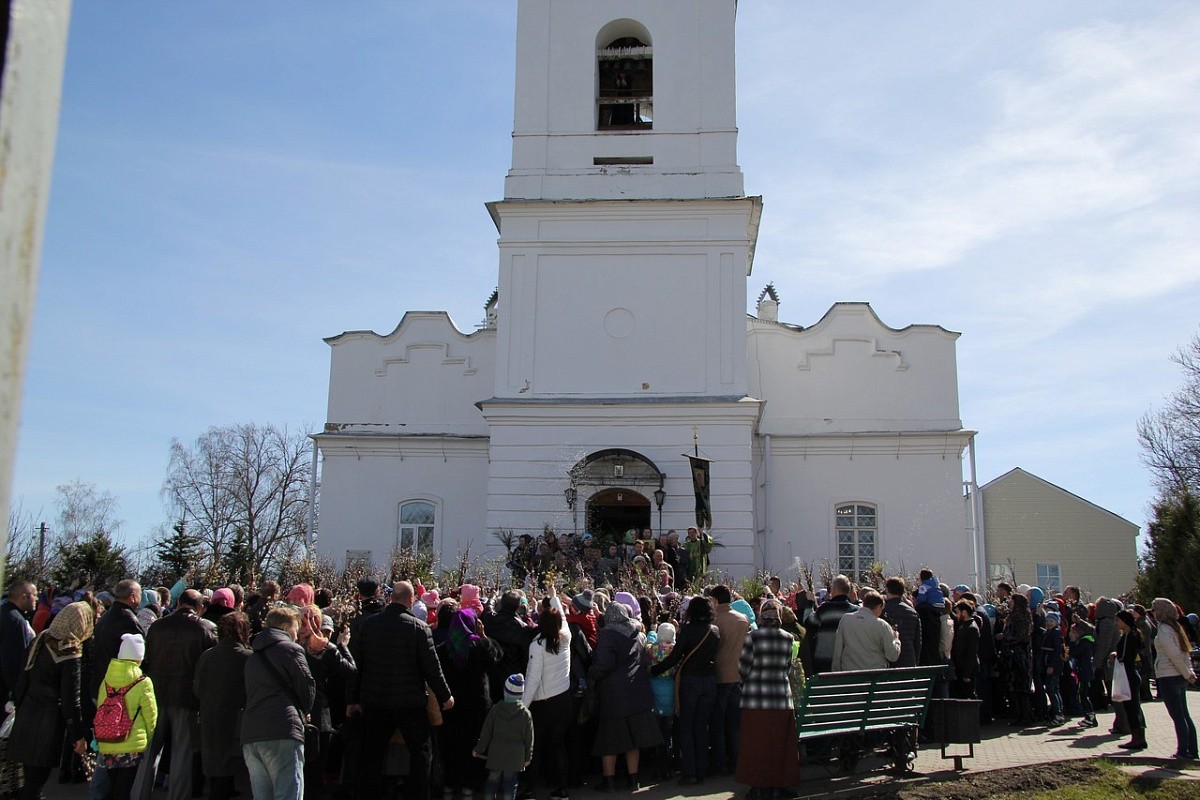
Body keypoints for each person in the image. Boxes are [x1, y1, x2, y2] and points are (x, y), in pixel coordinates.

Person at [348, 581, 453, 800]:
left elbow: (357, 665)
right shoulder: (419, 628)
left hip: (375, 699)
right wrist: (445, 696)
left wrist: (352, 699)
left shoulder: (369, 625)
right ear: (410, 600)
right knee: (421, 753)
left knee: (372, 754)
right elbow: (432, 668)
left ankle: (369, 795)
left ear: (390, 598)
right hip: (409, 702)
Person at [133, 589, 218, 800]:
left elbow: (147, 658)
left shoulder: (157, 626)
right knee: (182, 753)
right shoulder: (206, 628)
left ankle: (139, 794)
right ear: (200, 607)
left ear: (178, 603)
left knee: (149, 750)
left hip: (155, 693)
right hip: (187, 697)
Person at [8, 600, 94, 800]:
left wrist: (19, 709)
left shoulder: (40, 639)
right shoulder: (70, 649)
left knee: (29, 782)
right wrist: (78, 736)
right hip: (48, 724)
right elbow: (71, 699)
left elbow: (22, 680)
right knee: (36, 784)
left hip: (27, 714)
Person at [242, 606, 316, 800]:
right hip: (283, 728)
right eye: (295, 629)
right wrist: (305, 710)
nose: (296, 635)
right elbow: (306, 685)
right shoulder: (291, 649)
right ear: (285, 628)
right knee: (288, 793)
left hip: (251, 733)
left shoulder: (253, 656)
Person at [591, 600, 660, 792]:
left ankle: (609, 781)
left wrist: (592, 672)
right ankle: (633, 778)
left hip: (614, 694)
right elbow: (645, 661)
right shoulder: (637, 634)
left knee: (609, 741)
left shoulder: (607, 635)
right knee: (633, 740)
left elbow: (605, 664)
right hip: (637, 691)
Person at [735, 599, 800, 800]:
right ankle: (778, 786)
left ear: (762, 616)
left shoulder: (752, 638)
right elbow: (787, 667)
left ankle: (759, 786)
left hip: (755, 699)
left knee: (756, 744)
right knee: (780, 744)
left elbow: (743, 668)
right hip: (781, 699)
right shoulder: (788, 638)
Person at [650, 596, 718, 787]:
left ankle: (690, 771)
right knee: (702, 726)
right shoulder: (714, 631)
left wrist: (655, 670)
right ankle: (702, 768)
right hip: (710, 680)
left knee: (686, 726)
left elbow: (675, 657)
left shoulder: (688, 630)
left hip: (690, 681)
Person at [436, 608, 501, 800]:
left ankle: (449, 786)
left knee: (450, 746)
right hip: (476, 706)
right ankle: (468, 787)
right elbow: (498, 656)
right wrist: (483, 635)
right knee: (472, 747)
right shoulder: (480, 647)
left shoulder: (443, 649)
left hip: (451, 705)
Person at [520, 586, 572, 800]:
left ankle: (530, 789)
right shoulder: (566, 637)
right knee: (559, 746)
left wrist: (523, 706)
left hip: (543, 703)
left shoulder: (537, 646)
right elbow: (563, 619)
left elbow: (533, 679)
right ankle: (562, 788)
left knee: (536, 747)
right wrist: (553, 597)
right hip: (563, 698)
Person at [194, 612, 253, 800]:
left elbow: (197, 688)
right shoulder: (248, 658)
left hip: (210, 716)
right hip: (238, 720)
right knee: (231, 766)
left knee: (216, 767)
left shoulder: (207, 655)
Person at [96, 633, 158, 800]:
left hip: (107, 740)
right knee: (124, 790)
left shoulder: (106, 681)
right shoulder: (143, 682)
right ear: (139, 657)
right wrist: (147, 738)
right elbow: (151, 716)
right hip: (131, 744)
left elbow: (100, 708)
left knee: (114, 787)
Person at [708, 586, 749, 777]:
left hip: (720, 675)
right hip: (738, 675)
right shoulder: (743, 619)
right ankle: (737, 761)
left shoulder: (715, 621)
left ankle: (719, 763)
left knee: (717, 724)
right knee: (735, 724)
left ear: (715, 601)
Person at [472, 674, 534, 800]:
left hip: (496, 755)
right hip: (515, 758)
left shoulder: (495, 709)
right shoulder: (526, 714)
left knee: (492, 781)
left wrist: (478, 749)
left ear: (505, 691)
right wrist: (528, 757)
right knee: (510, 784)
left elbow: (486, 733)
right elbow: (529, 739)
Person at [1151, 598, 1198, 760]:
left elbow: (1174, 654)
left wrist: (1187, 673)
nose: (1153, 612)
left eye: (1154, 609)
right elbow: (1185, 653)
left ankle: (1182, 751)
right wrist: (1188, 672)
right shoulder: (1176, 627)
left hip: (1168, 675)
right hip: (1179, 676)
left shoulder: (1164, 629)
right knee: (1184, 714)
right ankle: (1193, 750)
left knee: (1177, 716)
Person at [801, 575, 859, 675]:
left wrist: (810, 603)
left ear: (835, 590)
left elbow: (808, 622)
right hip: (849, 660)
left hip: (825, 659)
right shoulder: (856, 610)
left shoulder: (825, 608)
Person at [832, 590, 901, 671]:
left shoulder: (846, 619)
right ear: (879, 606)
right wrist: (896, 640)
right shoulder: (882, 625)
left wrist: (836, 671)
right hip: (874, 673)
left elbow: (838, 650)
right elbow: (892, 656)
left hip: (850, 671)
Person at [0, 581, 37, 716]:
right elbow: (14, 660)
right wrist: (17, 693)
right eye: (34, 595)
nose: (37, 599)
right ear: (23, 597)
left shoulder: (6, 612)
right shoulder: (16, 621)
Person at [1112, 610, 1146, 751]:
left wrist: (1116, 656)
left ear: (1125, 621)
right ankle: (1139, 738)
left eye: (1118, 620)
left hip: (1128, 674)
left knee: (1131, 708)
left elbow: (1125, 656)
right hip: (1130, 673)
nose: (1116, 623)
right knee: (1134, 707)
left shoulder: (1129, 636)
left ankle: (1137, 739)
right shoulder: (1130, 634)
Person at [882, 577, 921, 668]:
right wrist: (916, 661)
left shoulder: (883, 610)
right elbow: (917, 641)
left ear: (887, 590)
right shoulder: (913, 612)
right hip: (909, 660)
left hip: (889, 660)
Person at [949, 599, 980, 700]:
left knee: (968, 695)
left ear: (964, 613)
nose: (957, 615)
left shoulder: (972, 628)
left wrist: (967, 673)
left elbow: (972, 652)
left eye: (958, 612)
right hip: (961, 667)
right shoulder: (964, 625)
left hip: (967, 668)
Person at [1040, 611, 1065, 725]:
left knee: (1052, 689)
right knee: (1054, 689)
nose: (1049, 623)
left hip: (1053, 666)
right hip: (1049, 664)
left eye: (1052, 621)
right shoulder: (1049, 632)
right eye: (1047, 621)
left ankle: (1058, 714)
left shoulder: (1055, 633)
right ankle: (1058, 713)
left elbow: (1057, 652)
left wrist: (1051, 666)